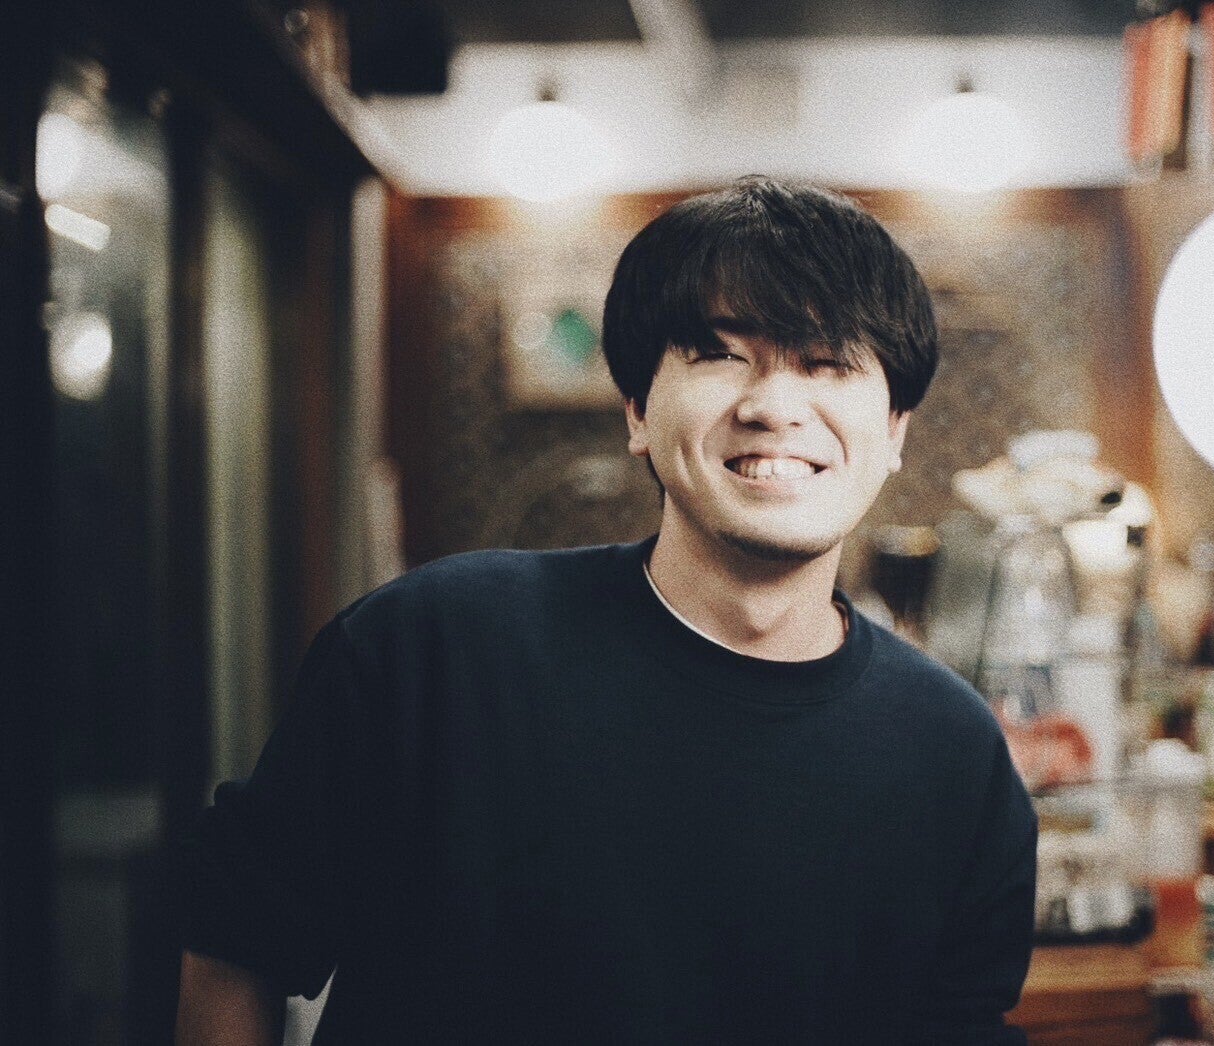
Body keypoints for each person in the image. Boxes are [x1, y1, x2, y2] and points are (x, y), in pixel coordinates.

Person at [175, 178, 1039, 1045]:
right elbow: (234, 946)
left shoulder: (954, 756)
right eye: (719, 353)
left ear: (894, 429)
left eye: (827, 362)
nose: (772, 407)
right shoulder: (432, 648)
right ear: (636, 410)